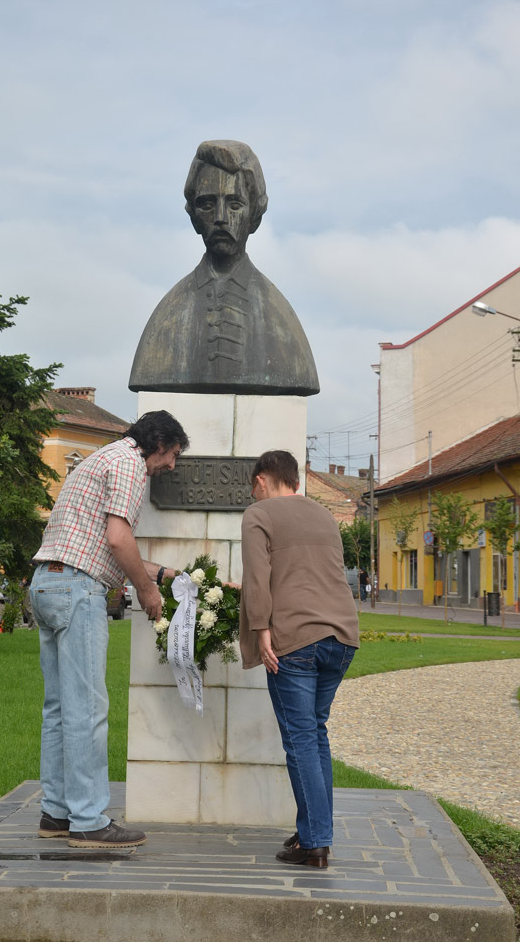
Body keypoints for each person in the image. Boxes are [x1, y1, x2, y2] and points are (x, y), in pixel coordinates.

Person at [30, 410, 189, 849]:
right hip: (78, 590)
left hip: (48, 583)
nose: (172, 466)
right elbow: (120, 541)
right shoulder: (130, 464)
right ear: (158, 444)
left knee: (60, 708)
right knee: (87, 708)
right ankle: (89, 821)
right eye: (173, 454)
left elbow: (108, 545)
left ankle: (57, 813)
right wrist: (147, 592)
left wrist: (167, 576)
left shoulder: (103, 459)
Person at [239, 450, 359, 867]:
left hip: (295, 639)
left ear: (261, 480)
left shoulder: (259, 514)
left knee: (301, 739)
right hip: (341, 636)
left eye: (252, 487)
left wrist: (262, 631)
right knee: (315, 732)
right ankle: (314, 829)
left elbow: (258, 577)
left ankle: (314, 844)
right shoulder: (325, 515)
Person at [129, 140, 319, 396]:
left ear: (255, 216)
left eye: (234, 204)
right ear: (194, 218)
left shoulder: (281, 319)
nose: (220, 217)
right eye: (207, 204)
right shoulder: (167, 316)